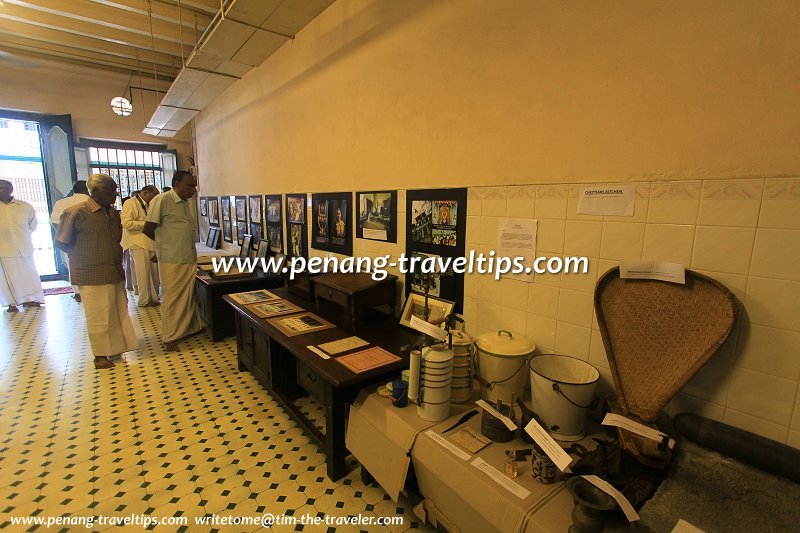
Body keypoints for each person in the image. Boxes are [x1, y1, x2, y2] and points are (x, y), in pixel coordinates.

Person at [55, 174, 138, 369]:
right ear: (96, 192)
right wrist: (86, 255)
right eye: (111, 191)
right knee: (98, 316)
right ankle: (100, 356)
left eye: (116, 190)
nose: (115, 195)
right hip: (91, 274)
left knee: (117, 312)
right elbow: (61, 242)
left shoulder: (112, 213)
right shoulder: (76, 212)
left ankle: (115, 349)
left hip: (114, 271)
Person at [143, 171, 202, 351]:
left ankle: (188, 329)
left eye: (194, 185)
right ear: (177, 183)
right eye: (190, 185)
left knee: (188, 295)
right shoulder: (162, 200)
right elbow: (148, 228)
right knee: (172, 297)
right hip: (172, 258)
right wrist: (163, 247)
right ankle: (169, 337)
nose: (194, 189)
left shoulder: (185, 203)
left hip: (187, 257)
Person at [0, 180, 45, 313]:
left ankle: (31, 299)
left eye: (5, 188)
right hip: (3, 250)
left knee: (28, 275)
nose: (2, 190)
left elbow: (33, 225)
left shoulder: (24, 206)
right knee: (7, 279)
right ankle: (11, 304)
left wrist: (20, 237)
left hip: (23, 247)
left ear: (11, 190)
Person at [50, 180, 90, 302]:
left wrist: (67, 236)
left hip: (71, 241)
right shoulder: (92, 202)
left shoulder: (62, 203)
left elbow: (55, 222)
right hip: (92, 239)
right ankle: (92, 289)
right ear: (87, 189)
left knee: (73, 264)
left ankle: (78, 293)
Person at [121, 185, 160, 306]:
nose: (155, 198)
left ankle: (154, 298)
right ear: (145, 192)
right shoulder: (130, 203)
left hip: (149, 241)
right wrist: (146, 224)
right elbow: (126, 223)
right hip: (137, 242)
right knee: (143, 273)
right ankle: (144, 300)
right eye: (154, 195)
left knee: (153, 273)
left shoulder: (149, 204)